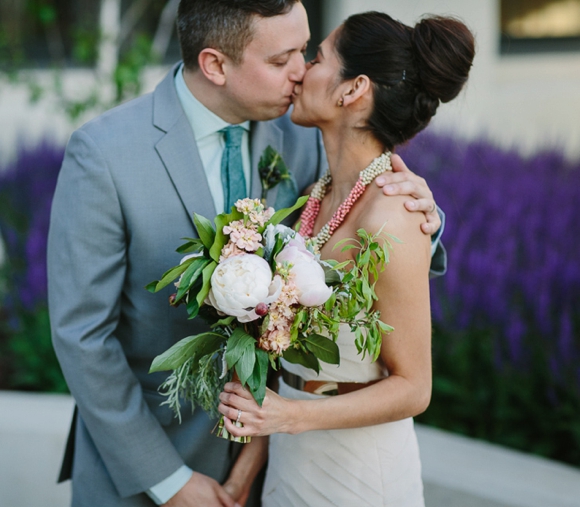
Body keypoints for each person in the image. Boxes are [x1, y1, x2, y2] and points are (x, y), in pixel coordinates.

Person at [47, 2, 446, 506]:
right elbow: (83, 338)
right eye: (282, 61)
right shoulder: (104, 155)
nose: (301, 72)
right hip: (146, 468)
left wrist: (424, 215)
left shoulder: (301, 140)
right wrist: (169, 481)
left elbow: (350, 233)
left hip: (271, 468)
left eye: (305, 51)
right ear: (215, 65)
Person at [217, 11, 475, 506]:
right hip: (291, 470)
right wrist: (242, 478)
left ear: (352, 89)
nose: (299, 71)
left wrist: (290, 418)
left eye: (316, 59)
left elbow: (414, 388)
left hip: (358, 478)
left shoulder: (392, 216)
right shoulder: (315, 199)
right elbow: (286, 370)